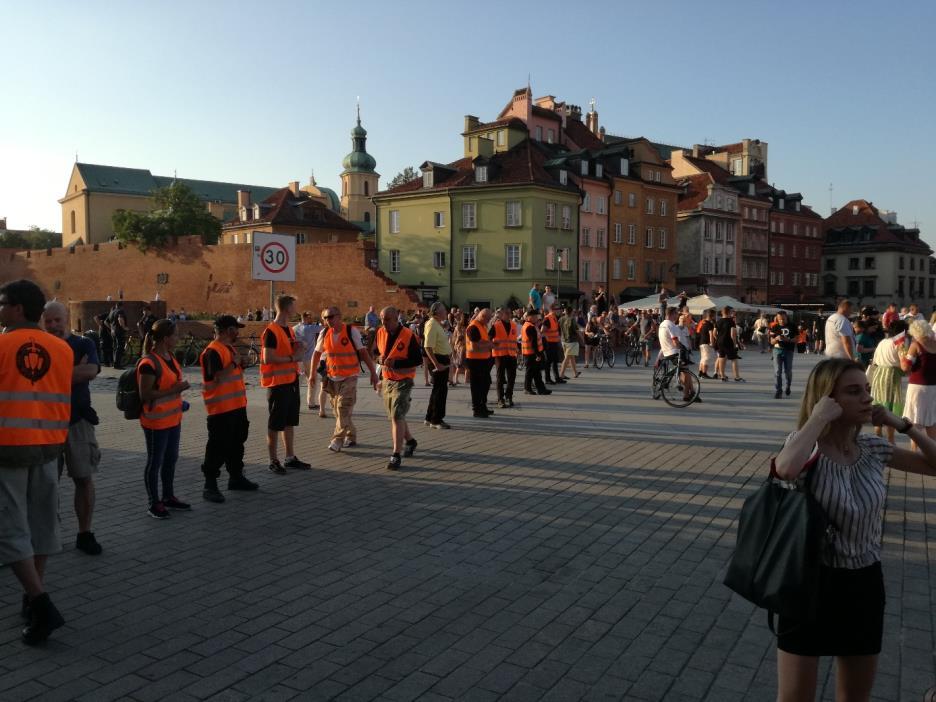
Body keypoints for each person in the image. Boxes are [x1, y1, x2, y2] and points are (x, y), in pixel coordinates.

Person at [773, 358, 936, 701]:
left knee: (855, 697)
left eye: (867, 390)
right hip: (808, 585)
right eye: (853, 391)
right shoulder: (806, 447)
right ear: (827, 401)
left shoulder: (874, 449)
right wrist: (817, 419)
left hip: (863, 585)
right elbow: (785, 469)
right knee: (794, 697)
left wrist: (904, 426)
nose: (867, 398)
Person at [0, 280, 72, 644]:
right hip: (49, 447)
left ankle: (41, 604)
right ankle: (31, 596)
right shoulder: (61, 349)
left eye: (2, 304)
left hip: (8, 450)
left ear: (17, 309)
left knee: (11, 530)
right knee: (42, 526)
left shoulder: (0, 345)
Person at [40, 302, 103, 555]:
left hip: (78, 421)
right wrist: (74, 370)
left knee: (84, 477)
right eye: (49, 321)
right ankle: (49, 533)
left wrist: (53, 374)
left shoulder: (83, 343)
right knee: (46, 483)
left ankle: (84, 533)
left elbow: (90, 371)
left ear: (67, 318)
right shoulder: (40, 345)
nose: (54, 325)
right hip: (46, 424)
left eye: (58, 320)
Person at [199, 315, 258, 503]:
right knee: (218, 446)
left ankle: (236, 477)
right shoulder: (212, 351)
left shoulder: (229, 348)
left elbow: (232, 372)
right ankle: (210, 485)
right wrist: (234, 363)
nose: (238, 332)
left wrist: (241, 363)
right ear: (227, 330)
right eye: (235, 328)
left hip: (237, 406)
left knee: (236, 444)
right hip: (221, 409)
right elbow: (216, 377)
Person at [136, 319, 190, 519]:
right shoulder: (148, 363)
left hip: (173, 419)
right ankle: (154, 502)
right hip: (155, 421)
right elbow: (146, 394)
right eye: (175, 335)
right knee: (155, 461)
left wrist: (178, 398)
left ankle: (168, 497)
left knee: (170, 459)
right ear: (166, 338)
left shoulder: (170, 357)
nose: (178, 338)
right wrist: (174, 389)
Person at [311, 306, 378, 451]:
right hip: (332, 377)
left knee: (342, 408)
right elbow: (316, 354)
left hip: (350, 376)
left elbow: (364, 353)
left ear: (339, 316)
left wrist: (373, 372)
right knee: (338, 412)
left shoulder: (350, 331)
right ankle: (351, 434)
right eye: (325, 318)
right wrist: (311, 375)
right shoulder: (324, 333)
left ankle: (337, 440)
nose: (328, 320)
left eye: (331, 317)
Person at [260, 296, 311, 473]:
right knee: (275, 424)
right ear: (288, 307)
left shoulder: (288, 329)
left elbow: (290, 350)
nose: (296, 308)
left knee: (289, 422)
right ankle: (273, 460)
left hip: (291, 381)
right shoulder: (271, 331)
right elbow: (268, 357)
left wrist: (299, 347)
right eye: (294, 305)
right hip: (277, 384)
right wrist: (292, 357)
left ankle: (290, 457)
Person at [375, 306, 423, 470]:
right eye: (382, 319)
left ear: (396, 319)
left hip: (404, 380)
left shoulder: (409, 335)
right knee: (396, 415)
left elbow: (417, 360)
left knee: (396, 415)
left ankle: (396, 454)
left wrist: (396, 363)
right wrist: (379, 360)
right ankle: (410, 441)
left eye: (387, 319)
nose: (384, 322)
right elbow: (376, 352)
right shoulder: (380, 332)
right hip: (388, 379)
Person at [899, 320, 936, 450]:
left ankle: (915, 454)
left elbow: (905, 367)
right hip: (933, 387)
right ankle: (933, 455)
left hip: (918, 387)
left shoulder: (916, 345)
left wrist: (901, 356)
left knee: (915, 424)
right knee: (931, 422)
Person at [870, 320, 907, 444]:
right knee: (890, 407)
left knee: (878, 404)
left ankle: (877, 433)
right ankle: (891, 439)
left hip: (878, 374)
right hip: (891, 376)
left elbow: (874, 361)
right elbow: (903, 364)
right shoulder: (899, 343)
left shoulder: (882, 342)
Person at [658, 306, 698, 404]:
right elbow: (675, 341)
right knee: (686, 372)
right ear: (672, 314)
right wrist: (682, 348)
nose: (677, 316)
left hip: (667, 351)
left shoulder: (662, 324)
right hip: (674, 352)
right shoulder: (671, 325)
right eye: (676, 314)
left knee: (685, 371)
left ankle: (691, 392)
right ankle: (687, 394)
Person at [423, 301, 452, 429]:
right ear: (437, 312)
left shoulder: (437, 324)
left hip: (442, 359)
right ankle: (436, 420)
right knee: (440, 392)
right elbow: (428, 347)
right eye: (444, 310)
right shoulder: (432, 324)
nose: (446, 312)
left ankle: (430, 417)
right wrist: (436, 364)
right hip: (438, 359)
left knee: (438, 390)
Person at [465, 308, 495, 417]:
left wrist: (490, 344)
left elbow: (481, 341)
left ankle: (482, 406)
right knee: (477, 386)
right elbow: (473, 347)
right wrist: (489, 346)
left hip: (483, 360)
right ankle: (477, 409)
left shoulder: (482, 326)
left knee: (486, 383)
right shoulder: (473, 327)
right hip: (475, 361)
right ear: (482, 316)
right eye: (488, 319)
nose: (489, 321)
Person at [293, 311, 322, 411]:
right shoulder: (310, 328)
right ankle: (311, 403)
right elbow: (324, 327)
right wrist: (320, 320)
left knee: (296, 381)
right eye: (310, 318)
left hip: (298, 359)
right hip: (309, 358)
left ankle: (292, 402)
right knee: (312, 379)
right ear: (306, 318)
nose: (311, 319)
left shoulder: (294, 328)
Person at [491, 306, 519, 408]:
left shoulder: (514, 325)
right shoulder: (496, 325)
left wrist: (518, 349)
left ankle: (509, 397)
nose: (508, 314)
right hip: (500, 355)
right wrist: (493, 345)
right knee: (500, 378)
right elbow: (489, 338)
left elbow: (515, 339)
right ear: (502, 314)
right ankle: (500, 399)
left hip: (511, 355)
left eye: (509, 313)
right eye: (506, 313)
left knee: (512, 378)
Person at [521, 308, 550, 396]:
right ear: (530, 317)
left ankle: (541, 389)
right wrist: (537, 354)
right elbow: (533, 342)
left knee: (536, 372)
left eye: (536, 316)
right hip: (531, 353)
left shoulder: (530, 325)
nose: (536, 318)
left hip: (531, 353)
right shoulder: (530, 327)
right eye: (535, 316)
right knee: (530, 372)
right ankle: (527, 388)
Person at [769, 310, 797, 399]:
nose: (781, 321)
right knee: (777, 371)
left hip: (788, 351)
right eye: (779, 319)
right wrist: (776, 339)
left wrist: (787, 340)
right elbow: (771, 341)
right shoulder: (775, 327)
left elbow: (797, 339)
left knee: (788, 371)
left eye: (783, 319)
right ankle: (778, 390)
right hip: (777, 350)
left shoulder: (792, 326)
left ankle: (788, 385)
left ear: (786, 317)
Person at [714, 306, 744, 382]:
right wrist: (734, 344)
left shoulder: (718, 321)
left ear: (722, 312)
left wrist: (719, 338)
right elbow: (733, 334)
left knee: (721, 357)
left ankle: (723, 376)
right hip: (728, 342)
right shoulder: (731, 321)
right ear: (729, 312)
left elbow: (714, 333)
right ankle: (737, 377)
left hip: (720, 342)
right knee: (734, 359)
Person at [540, 305, 564, 385]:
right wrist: (546, 337)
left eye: (560, 309)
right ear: (553, 310)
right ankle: (547, 379)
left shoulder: (554, 318)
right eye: (558, 309)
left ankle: (557, 378)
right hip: (549, 343)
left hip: (554, 342)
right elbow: (542, 330)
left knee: (554, 361)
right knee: (548, 362)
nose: (560, 311)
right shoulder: (548, 318)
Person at [559, 305, 583, 380]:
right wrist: (582, 338)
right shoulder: (572, 319)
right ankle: (561, 374)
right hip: (571, 341)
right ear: (571, 311)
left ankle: (575, 373)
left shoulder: (561, 319)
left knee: (571, 357)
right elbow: (576, 330)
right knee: (567, 357)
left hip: (563, 340)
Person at [696, 309, 716, 379]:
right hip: (706, 343)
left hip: (701, 343)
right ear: (712, 316)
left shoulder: (702, 323)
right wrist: (712, 342)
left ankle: (700, 372)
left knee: (703, 358)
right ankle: (704, 373)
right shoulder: (709, 324)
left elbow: (698, 333)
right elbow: (711, 334)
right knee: (706, 358)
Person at [109, 302, 128, 369]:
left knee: (115, 347)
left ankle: (115, 363)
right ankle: (117, 364)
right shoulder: (120, 311)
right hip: (119, 331)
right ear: (121, 306)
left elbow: (110, 322)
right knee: (120, 347)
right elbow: (120, 319)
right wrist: (124, 327)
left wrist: (112, 330)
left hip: (113, 331)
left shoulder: (112, 312)